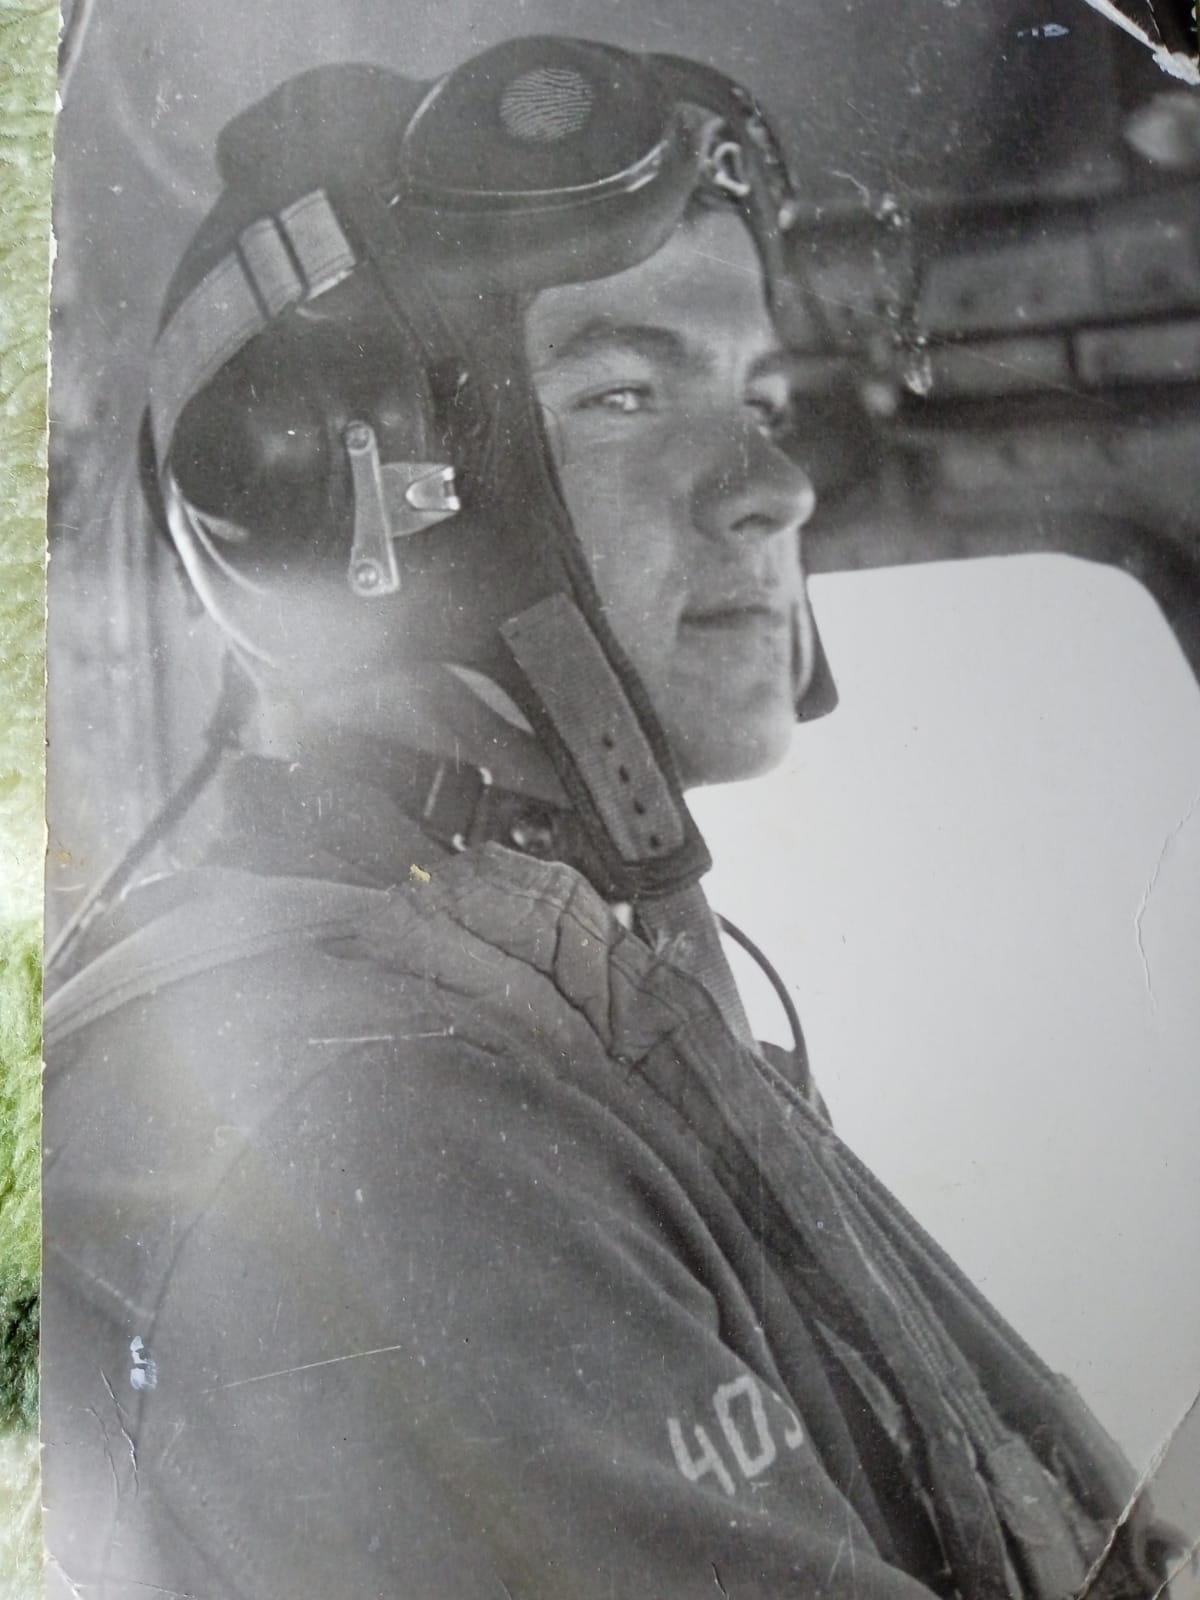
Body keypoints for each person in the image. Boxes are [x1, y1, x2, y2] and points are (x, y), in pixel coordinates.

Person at [42, 34, 1172, 1600]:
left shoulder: (556, 990)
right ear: (337, 489)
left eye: (757, 393)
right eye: (628, 392)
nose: (774, 486)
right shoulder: (373, 1139)